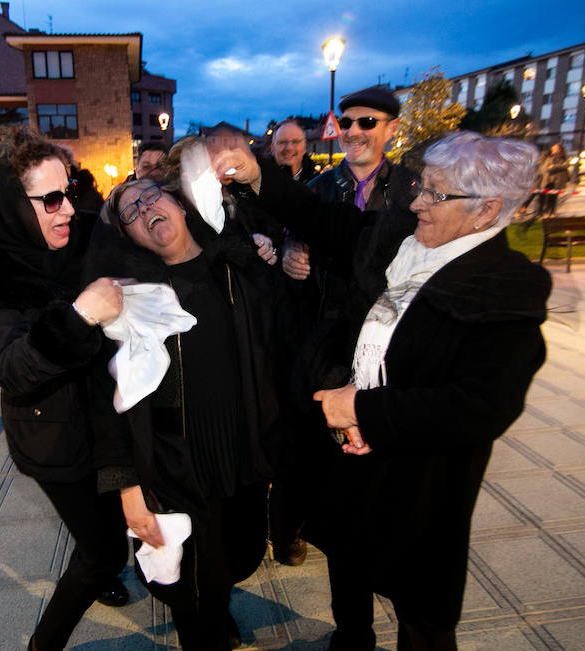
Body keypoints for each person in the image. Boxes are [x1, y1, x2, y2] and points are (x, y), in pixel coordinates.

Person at [216, 131, 552, 650]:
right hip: (352, 454)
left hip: (419, 478)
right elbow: (328, 222)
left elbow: (482, 406)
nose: (417, 201)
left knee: (422, 607)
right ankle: (352, 639)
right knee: (347, 557)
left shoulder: (505, 291)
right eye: (422, 187)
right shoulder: (404, 238)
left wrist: (362, 409)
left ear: (487, 210)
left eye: (436, 195)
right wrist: (259, 177)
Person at [0, 125, 130, 650]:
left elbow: (163, 241)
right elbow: (13, 368)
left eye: (67, 192)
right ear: (10, 205)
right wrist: (79, 316)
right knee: (103, 552)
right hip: (56, 440)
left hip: (114, 420)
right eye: (50, 199)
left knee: (122, 532)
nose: (67, 208)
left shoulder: (86, 235)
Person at [90, 176, 288, 651]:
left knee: (239, 553)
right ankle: (202, 625)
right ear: (127, 235)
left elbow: (285, 343)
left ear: (178, 203)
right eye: (130, 212)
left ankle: (214, 609)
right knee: (196, 577)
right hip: (176, 456)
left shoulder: (238, 265)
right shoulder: (129, 299)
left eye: (151, 197)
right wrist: (129, 487)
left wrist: (277, 252)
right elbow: (108, 401)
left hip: (243, 446)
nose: (144, 210)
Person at [273, 86, 418, 567]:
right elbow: (292, 239)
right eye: (347, 122)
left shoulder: (413, 191)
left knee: (370, 436)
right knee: (307, 436)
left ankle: (360, 527)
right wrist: (290, 251)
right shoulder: (318, 188)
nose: (353, 131)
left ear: (391, 128)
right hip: (324, 332)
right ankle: (290, 527)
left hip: (386, 332)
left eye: (367, 122)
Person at [270, 119, 317, 183]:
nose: (289, 148)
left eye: (295, 142)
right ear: (272, 147)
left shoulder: (319, 184)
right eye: (282, 142)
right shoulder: (258, 184)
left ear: (304, 146)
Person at [539, 143, 568, 216]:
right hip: (548, 180)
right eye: (554, 148)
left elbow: (565, 166)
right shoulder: (548, 157)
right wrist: (559, 167)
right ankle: (543, 212)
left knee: (554, 197)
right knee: (545, 197)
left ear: (560, 150)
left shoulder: (563, 158)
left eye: (557, 148)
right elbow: (546, 168)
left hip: (558, 181)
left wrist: (554, 167)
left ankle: (552, 212)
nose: (555, 150)